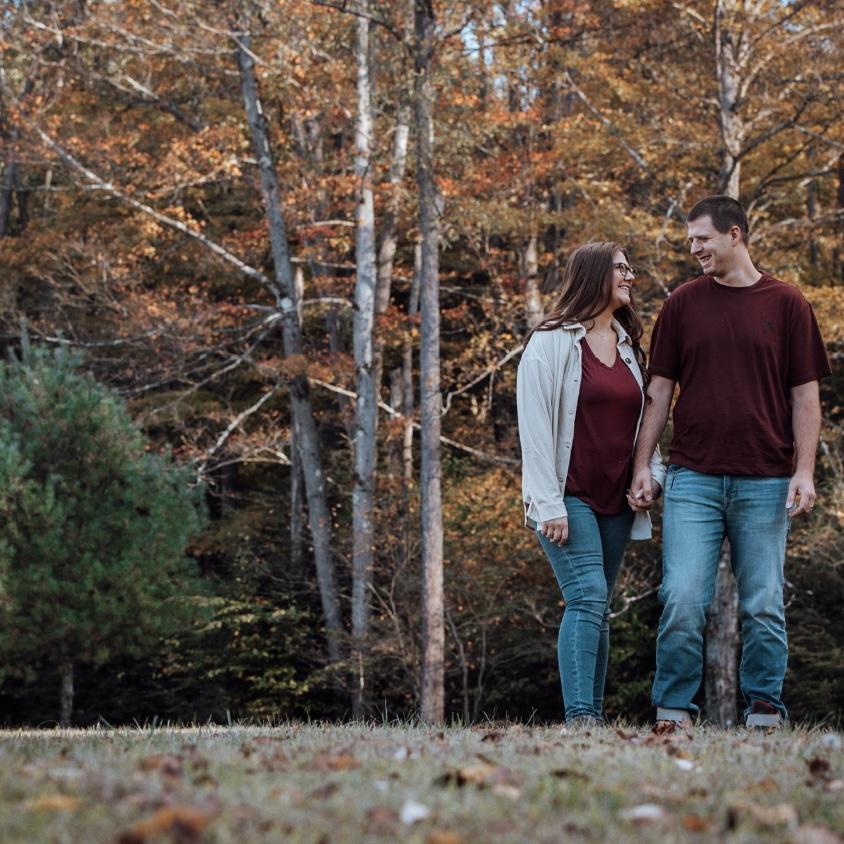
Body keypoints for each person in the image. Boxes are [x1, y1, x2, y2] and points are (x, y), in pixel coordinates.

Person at [630, 195, 830, 730]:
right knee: (681, 598)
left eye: (702, 239)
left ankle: (764, 711)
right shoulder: (682, 304)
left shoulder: (788, 304)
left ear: (734, 234)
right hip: (693, 477)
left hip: (765, 479)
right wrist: (642, 464)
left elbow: (805, 398)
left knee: (763, 603)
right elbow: (659, 392)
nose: (694, 248)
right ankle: (673, 713)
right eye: (690, 240)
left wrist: (804, 471)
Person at [517, 241, 665, 726]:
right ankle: (581, 717)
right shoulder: (551, 342)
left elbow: (644, 425)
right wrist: (548, 504)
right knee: (586, 596)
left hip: (617, 501)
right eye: (621, 268)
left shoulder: (628, 347)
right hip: (568, 495)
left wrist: (651, 476)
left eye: (630, 268)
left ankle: (592, 717)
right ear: (595, 274)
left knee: (598, 605)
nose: (630, 276)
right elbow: (534, 429)